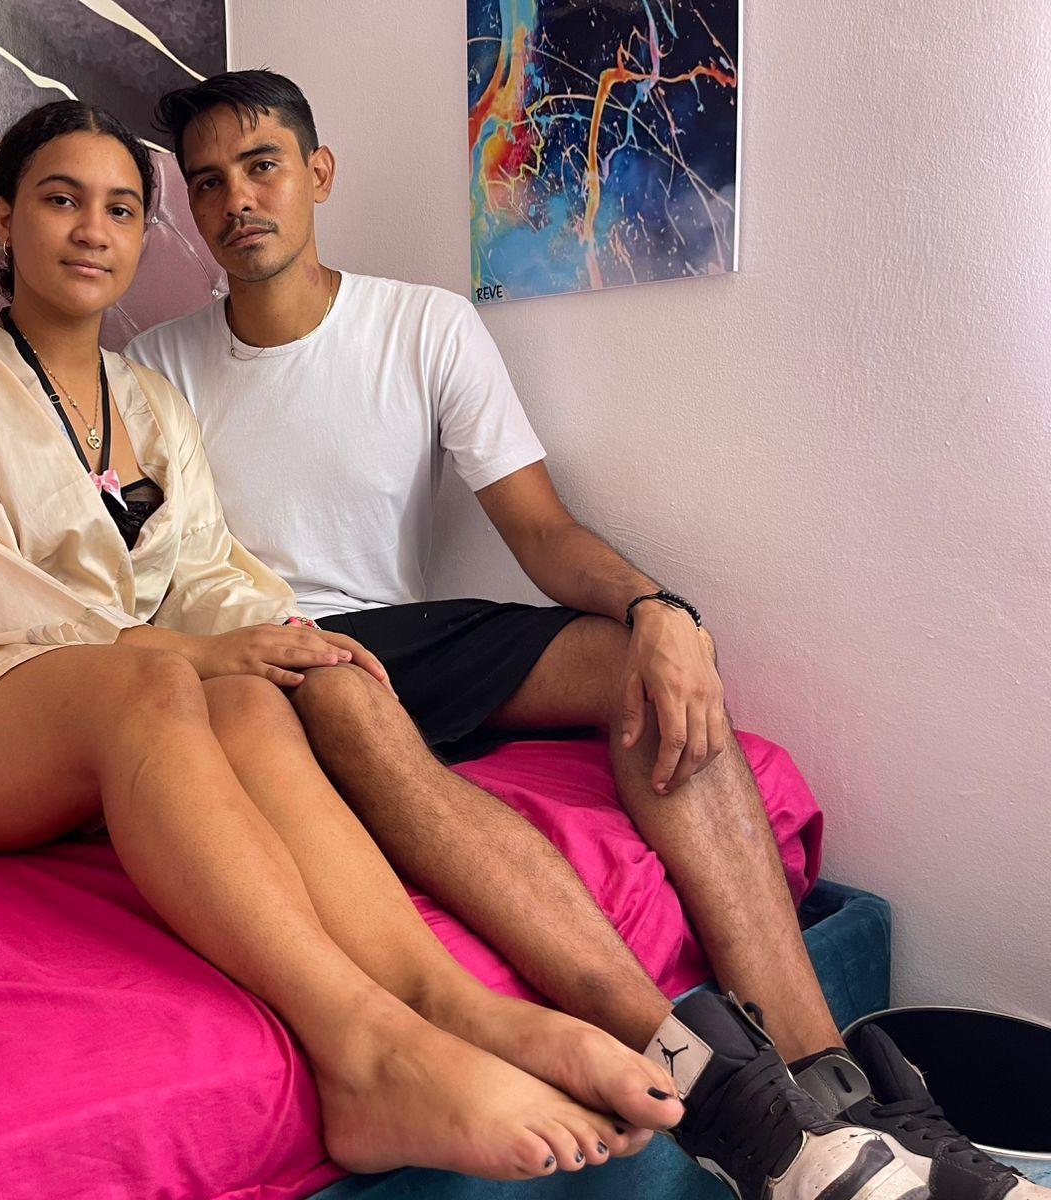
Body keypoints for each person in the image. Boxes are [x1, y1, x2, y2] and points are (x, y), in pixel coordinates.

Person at [125, 69, 1034, 1200]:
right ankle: (715, 1090)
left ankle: (830, 1086)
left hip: (409, 631)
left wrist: (660, 612)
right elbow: (133, 573)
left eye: (260, 167)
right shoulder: (152, 367)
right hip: (270, 654)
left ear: (317, 174)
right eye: (207, 183)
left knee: (636, 667)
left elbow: (542, 530)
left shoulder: (424, 324)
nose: (236, 201)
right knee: (341, 682)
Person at [0, 98, 684, 1184]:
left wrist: (284, 640)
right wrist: (193, 654)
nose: (92, 230)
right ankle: (364, 1051)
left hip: (85, 707)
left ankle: (449, 1003)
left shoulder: (150, 402)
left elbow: (204, 569)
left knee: (253, 695)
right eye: (61, 200)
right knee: (160, 688)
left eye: (122, 209)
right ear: (2, 216)